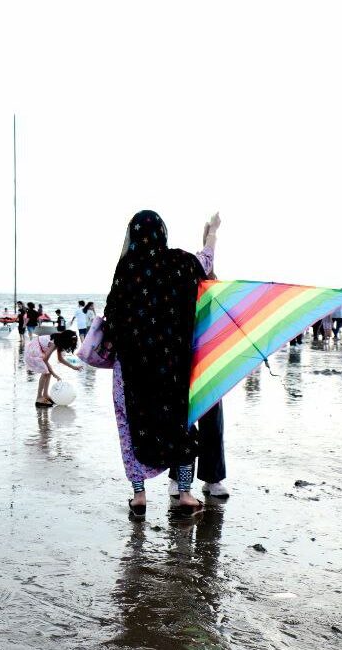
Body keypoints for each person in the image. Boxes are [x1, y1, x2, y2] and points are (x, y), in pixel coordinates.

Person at [105, 210, 220, 518]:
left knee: (130, 425)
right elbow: (206, 265)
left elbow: (112, 314)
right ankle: (184, 494)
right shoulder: (180, 262)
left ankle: (139, 497)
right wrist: (211, 234)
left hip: (131, 369)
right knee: (181, 424)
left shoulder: (127, 267)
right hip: (174, 366)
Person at [24, 330, 80, 406]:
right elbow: (45, 359)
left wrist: (74, 367)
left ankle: (45, 395)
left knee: (48, 372)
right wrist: (54, 374)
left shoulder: (59, 341)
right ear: (66, 340)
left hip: (37, 349)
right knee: (45, 372)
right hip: (33, 350)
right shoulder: (54, 343)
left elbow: (60, 359)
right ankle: (39, 397)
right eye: (70, 343)